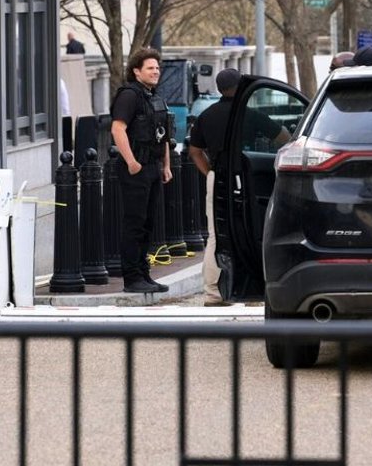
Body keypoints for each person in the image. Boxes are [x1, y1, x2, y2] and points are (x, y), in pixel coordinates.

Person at [188, 69, 291, 306]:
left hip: (218, 177)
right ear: (241, 87)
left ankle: (213, 292)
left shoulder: (207, 115)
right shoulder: (250, 115)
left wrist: (210, 172)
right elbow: (285, 139)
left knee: (216, 234)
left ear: (219, 88)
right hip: (245, 178)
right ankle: (253, 285)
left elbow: (194, 151)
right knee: (250, 229)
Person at [111, 48, 173, 294]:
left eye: (157, 68)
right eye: (150, 68)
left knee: (148, 223)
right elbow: (117, 129)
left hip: (153, 167)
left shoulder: (153, 96)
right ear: (136, 71)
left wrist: (166, 165)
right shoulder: (129, 95)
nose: (155, 71)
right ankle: (132, 277)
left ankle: (143, 274)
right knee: (134, 223)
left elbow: (163, 134)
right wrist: (131, 162)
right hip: (136, 169)